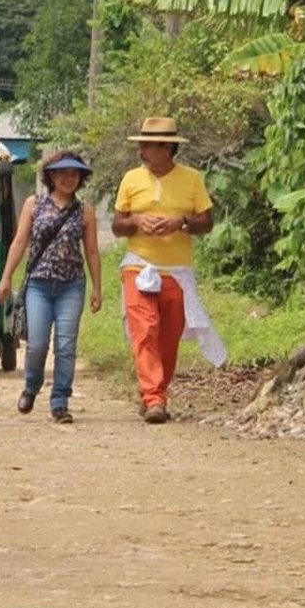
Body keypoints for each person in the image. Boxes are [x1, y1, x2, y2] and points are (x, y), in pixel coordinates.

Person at [111, 116, 218, 424]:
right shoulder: (131, 179)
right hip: (138, 265)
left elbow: (206, 222)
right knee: (145, 330)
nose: (142, 151)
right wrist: (136, 221)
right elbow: (118, 226)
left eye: (149, 146)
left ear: (167, 148)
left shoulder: (192, 179)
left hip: (177, 271)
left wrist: (180, 222)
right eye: (141, 145)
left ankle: (154, 391)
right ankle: (154, 398)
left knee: (168, 338)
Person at [0, 150, 102, 424]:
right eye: (62, 173)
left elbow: (92, 251)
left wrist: (97, 288)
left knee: (66, 346)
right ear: (51, 177)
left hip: (72, 285)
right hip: (39, 285)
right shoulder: (34, 204)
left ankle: (60, 401)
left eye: (74, 173)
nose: (68, 178)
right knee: (37, 344)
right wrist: (6, 277)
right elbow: (20, 242)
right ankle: (31, 386)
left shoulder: (85, 211)